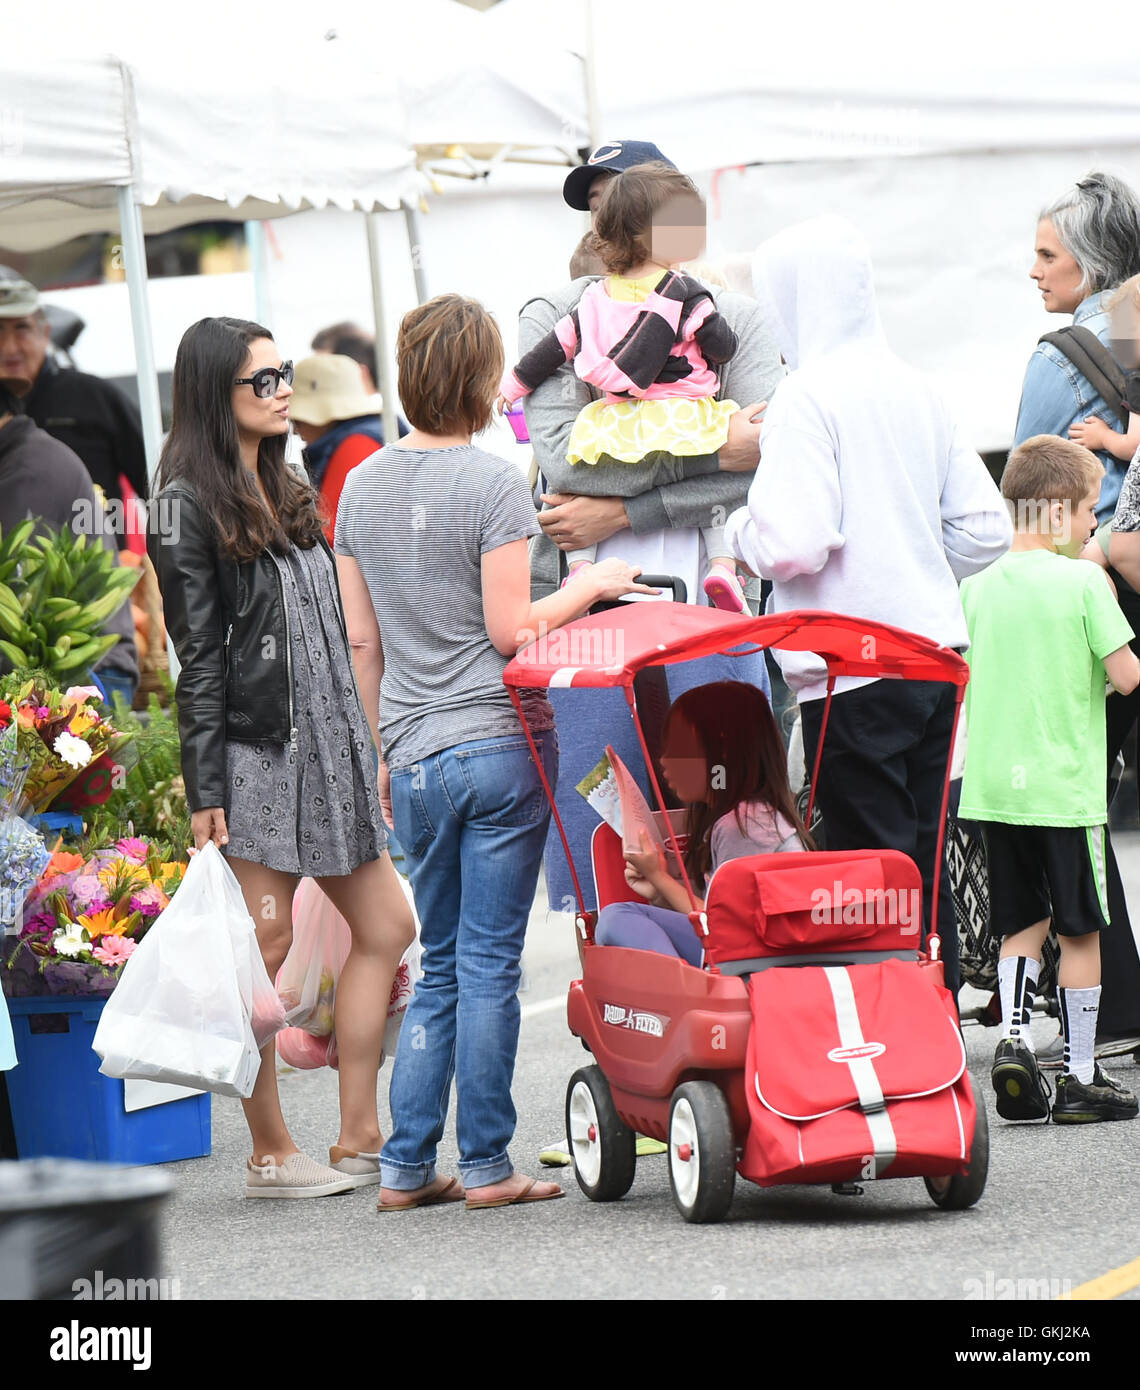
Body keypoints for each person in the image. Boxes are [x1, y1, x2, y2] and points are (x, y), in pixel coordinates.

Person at [334, 293, 649, 1212]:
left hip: (414, 752)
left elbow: (362, 644)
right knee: (486, 964)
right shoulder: (495, 483)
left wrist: (385, 747)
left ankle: (402, 1169)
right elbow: (512, 632)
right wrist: (590, 583)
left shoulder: (359, 486)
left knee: (437, 962)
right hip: (493, 745)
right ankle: (484, 1167)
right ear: (480, 380)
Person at [148, 316, 415, 1199]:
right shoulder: (183, 501)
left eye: (283, 373)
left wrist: (364, 735)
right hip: (257, 755)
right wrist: (205, 787)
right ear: (214, 396)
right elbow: (200, 656)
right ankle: (270, 1152)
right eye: (260, 381)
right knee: (261, 950)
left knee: (386, 929)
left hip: (329, 744)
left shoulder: (286, 479)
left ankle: (356, 1130)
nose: (280, 390)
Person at [726, 215, 1013, 999]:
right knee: (920, 866)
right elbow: (987, 533)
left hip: (850, 669)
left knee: (869, 878)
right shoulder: (921, 388)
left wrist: (738, 529)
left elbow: (793, 545)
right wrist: (915, 561)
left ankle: (891, 1054)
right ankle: (937, 1044)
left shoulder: (804, 398)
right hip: (934, 660)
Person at [521, 140, 783, 918]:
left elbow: (765, 457)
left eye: (623, 198)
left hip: (711, 614)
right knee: (603, 823)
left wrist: (628, 508)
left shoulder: (733, 317)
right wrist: (710, 442)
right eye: (597, 203)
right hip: (589, 618)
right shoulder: (556, 315)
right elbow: (563, 460)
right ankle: (622, 1014)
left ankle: (734, 994)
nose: (611, 218)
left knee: (730, 815)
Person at [959, 434, 1140, 1123]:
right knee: (1083, 931)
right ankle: (1080, 1076)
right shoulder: (1086, 582)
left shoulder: (975, 590)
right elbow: (1126, 676)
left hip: (996, 794)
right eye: (1092, 510)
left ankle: (1012, 1041)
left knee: (1019, 926)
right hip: (1067, 792)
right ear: (1059, 512)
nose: (1096, 524)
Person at [501, 163, 746, 611]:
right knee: (725, 472)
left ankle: (578, 568)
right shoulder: (687, 292)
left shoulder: (594, 298)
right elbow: (722, 345)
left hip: (617, 420)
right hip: (683, 415)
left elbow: (554, 347)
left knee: (578, 485)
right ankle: (723, 566)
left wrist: (514, 384)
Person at [596, 681, 809, 962]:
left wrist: (660, 878)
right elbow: (718, 916)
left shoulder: (745, 824)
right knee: (619, 919)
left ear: (721, 752)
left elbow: (724, 926)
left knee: (616, 918)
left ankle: (681, 994)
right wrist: (659, 891)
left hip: (762, 959)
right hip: (752, 949)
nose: (665, 760)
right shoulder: (740, 817)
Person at [0, 368, 138, 697]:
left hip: (94, 676)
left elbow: (18, 606)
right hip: (60, 672)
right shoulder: (19, 458)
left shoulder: (28, 470)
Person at [1014, 172, 1140, 523]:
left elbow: (1020, 492)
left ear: (1092, 262)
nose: (1034, 271)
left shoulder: (1059, 358)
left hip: (1092, 563)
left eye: (1048, 256)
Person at [0, 272, 149, 516]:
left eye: (21, 329)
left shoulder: (94, 397)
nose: (9, 347)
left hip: (98, 552)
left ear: (45, 333)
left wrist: (170, 551)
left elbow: (159, 485)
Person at [288, 353, 408, 542]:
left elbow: (333, 536)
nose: (294, 429)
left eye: (297, 419)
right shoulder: (376, 434)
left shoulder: (355, 446)